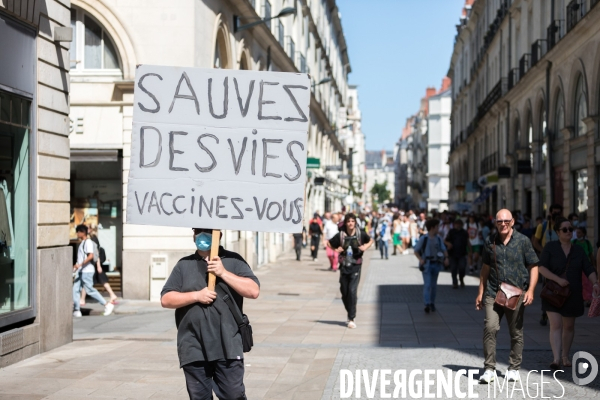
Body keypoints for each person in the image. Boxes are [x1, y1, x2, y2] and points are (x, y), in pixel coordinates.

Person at [161, 228, 260, 400]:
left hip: (227, 343)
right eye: (198, 231)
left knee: (233, 395)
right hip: (193, 345)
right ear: (193, 236)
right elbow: (166, 299)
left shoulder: (234, 260)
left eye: (207, 231)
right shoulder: (184, 264)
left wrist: (223, 273)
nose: (201, 235)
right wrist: (196, 296)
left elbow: (253, 291)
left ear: (218, 235)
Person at [476, 209, 539, 384]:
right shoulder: (490, 242)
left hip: (516, 294)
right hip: (493, 292)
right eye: (499, 221)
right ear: (495, 223)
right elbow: (485, 269)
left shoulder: (523, 241)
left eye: (506, 221)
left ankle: (514, 368)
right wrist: (480, 292)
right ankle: (489, 369)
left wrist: (531, 290)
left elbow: (534, 266)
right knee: (490, 327)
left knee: (516, 332)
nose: (503, 224)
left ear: (512, 222)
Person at [538, 217, 599, 369]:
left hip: (572, 292)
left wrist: (595, 283)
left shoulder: (578, 249)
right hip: (553, 293)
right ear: (558, 232)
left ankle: (565, 355)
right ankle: (556, 358)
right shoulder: (550, 247)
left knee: (569, 326)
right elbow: (541, 268)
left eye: (570, 229)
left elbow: (588, 268)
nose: (568, 232)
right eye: (564, 229)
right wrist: (557, 280)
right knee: (556, 324)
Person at [327, 213, 373, 329]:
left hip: (356, 265)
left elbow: (370, 240)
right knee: (344, 292)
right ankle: (350, 311)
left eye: (352, 221)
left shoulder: (360, 234)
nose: (350, 223)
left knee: (352, 291)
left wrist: (365, 247)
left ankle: (351, 318)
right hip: (344, 266)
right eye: (348, 221)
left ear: (355, 223)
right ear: (346, 223)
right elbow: (329, 243)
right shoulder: (340, 235)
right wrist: (336, 249)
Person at [72, 225, 114, 317]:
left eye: (78, 232)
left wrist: (80, 264)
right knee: (75, 289)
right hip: (81, 271)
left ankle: (107, 305)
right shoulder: (83, 243)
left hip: (86, 271)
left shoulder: (88, 242)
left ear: (82, 232)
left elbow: (90, 256)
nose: (77, 234)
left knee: (90, 290)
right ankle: (76, 309)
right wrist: (77, 266)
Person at [532, 203, 563, 327]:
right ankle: (545, 311)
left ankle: (558, 310)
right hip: (547, 261)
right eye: (554, 213)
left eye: (558, 213)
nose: (556, 215)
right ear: (550, 213)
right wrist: (544, 252)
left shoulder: (563, 226)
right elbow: (535, 241)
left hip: (561, 260)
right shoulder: (543, 226)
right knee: (547, 286)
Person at [414, 219, 449, 313]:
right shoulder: (424, 238)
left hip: (436, 263)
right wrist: (421, 259)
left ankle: (432, 303)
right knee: (427, 284)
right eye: (437, 226)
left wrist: (446, 258)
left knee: (433, 286)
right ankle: (427, 303)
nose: (438, 228)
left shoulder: (438, 238)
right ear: (433, 227)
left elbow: (443, 249)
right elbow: (416, 250)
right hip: (427, 264)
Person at [80, 235, 118, 306]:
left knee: (86, 283)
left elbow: (96, 258)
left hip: (92, 268)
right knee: (104, 282)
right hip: (98, 269)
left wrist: (98, 265)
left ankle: (82, 300)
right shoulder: (101, 249)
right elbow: (103, 259)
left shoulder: (93, 249)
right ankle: (112, 295)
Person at [444, 219, 471, 289]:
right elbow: (445, 240)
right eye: (457, 224)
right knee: (453, 269)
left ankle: (461, 278)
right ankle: (454, 282)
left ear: (461, 225)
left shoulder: (464, 232)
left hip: (462, 253)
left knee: (462, 268)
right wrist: (448, 244)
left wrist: (470, 252)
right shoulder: (451, 232)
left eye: (459, 224)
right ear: (454, 225)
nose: (458, 225)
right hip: (452, 253)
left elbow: (468, 242)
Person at [572, 226, 595, 306]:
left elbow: (591, 255)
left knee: (587, 284)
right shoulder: (574, 242)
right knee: (579, 284)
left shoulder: (587, 243)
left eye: (579, 233)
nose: (577, 234)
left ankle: (588, 299)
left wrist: (593, 265)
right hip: (576, 267)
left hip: (586, 267)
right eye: (577, 233)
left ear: (583, 234)